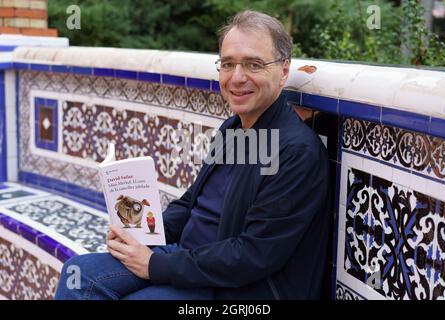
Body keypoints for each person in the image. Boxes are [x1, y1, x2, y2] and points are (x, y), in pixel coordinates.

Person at [55, 10, 330, 300]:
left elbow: (253, 255)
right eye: (228, 64)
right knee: (78, 276)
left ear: (283, 71)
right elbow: (191, 205)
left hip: (236, 288)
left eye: (253, 64)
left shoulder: (297, 153)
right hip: (189, 259)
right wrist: (141, 231)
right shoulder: (234, 128)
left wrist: (155, 265)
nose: (237, 78)